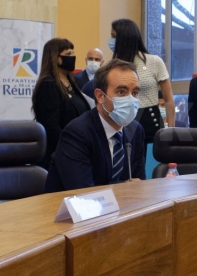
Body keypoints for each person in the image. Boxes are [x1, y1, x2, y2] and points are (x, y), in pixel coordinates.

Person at [44, 59, 146, 192]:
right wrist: (124, 188)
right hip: (66, 211)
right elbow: (83, 194)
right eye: (121, 92)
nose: (131, 100)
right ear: (100, 96)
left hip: (121, 210)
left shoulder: (136, 130)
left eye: (135, 93)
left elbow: (138, 186)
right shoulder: (77, 133)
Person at [110, 19, 174, 144]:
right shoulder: (112, 66)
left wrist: (171, 130)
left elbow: (169, 99)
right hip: (121, 121)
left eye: (114, 37)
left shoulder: (154, 61)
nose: (111, 41)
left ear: (124, 38)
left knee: (151, 163)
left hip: (150, 122)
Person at [32, 38, 89, 169]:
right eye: (68, 54)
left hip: (76, 150)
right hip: (60, 154)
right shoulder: (48, 84)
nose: (73, 57)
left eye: (73, 53)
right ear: (55, 58)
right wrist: (72, 146)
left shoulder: (71, 82)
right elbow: (51, 126)